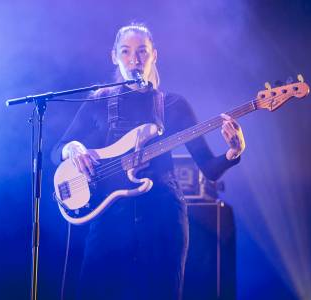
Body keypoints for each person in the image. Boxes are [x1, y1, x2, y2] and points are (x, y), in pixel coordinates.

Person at [52, 23, 246, 300]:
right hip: (108, 217)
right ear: (114, 56)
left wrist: (234, 151)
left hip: (163, 217)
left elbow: (210, 169)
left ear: (154, 54)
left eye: (142, 51)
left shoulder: (172, 105)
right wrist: (72, 148)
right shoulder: (98, 101)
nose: (135, 59)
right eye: (126, 51)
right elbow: (57, 149)